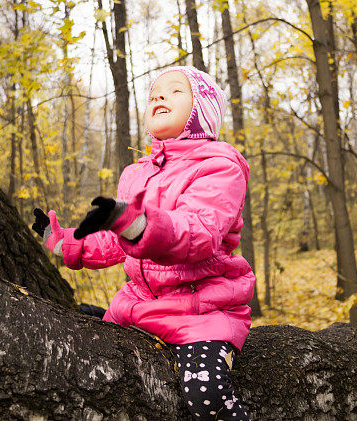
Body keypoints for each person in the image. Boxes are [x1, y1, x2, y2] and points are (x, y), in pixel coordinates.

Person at [31, 66, 253, 419]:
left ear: (203, 112)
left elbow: (196, 233)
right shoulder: (137, 173)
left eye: (175, 91)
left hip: (201, 311)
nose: (159, 96)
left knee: (205, 395)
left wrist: (136, 223)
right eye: (153, 94)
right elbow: (117, 240)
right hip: (138, 305)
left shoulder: (220, 165)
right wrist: (65, 242)